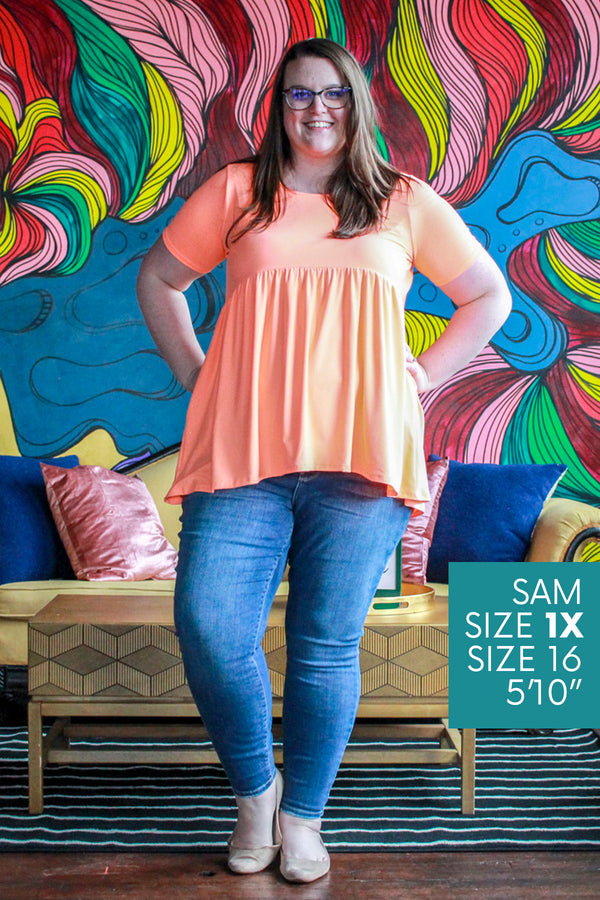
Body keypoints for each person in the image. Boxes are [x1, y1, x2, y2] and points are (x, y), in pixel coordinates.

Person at [137, 38, 512, 883]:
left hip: (362, 456)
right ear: (279, 105)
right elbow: (158, 280)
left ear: (358, 104)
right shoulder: (238, 190)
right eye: (300, 93)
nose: (317, 109)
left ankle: (303, 817)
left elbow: (488, 297)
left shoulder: (404, 201)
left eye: (334, 92)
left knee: (325, 645)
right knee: (208, 624)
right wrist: (198, 376)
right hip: (242, 451)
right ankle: (256, 794)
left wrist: (422, 375)